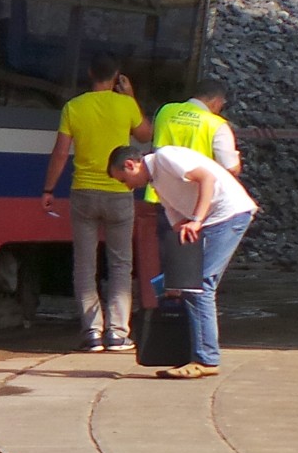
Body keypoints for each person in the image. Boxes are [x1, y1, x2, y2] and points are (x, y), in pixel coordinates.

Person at [108, 144, 258, 379]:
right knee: (189, 285)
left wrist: (197, 220)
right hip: (212, 220)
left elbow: (206, 178)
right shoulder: (157, 182)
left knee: (200, 285)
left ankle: (205, 360)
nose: (127, 187)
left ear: (131, 164)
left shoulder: (165, 158)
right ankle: (197, 354)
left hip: (228, 214)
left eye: (124, 179)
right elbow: (177, 221)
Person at [41, 54, 153, 352]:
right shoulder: (125, 104)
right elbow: (145, 135)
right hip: (119, 193)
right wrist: (131, 97)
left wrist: (48, 188)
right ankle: (117, 333)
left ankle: (92, 333)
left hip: (84, 194)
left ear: (90, 73)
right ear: (117, 76)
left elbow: (61, 152)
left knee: (84, 264)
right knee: (120, 264)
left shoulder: (74, 107)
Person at [136, 80, 239, 310]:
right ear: (216, 101)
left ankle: (164, 315)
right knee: (192, 271)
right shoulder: (216, 124)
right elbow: (230, 167)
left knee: (167, 264)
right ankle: (185, 321)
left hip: (162, 198)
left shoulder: (166, 111)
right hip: (196, 206)